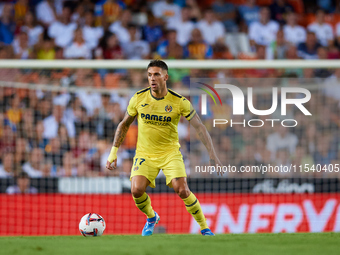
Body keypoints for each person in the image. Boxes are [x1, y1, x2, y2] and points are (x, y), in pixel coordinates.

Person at [106, 60, 223, 236]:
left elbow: (200, 127)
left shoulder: (179, 102)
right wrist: (113, 153)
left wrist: (212, 154)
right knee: (136, 190)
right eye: (149, 75)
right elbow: (123, 125)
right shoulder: (138, 98)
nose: (152, 78)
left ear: (166, 77)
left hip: (170, 153)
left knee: (182, 189)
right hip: (145, 154)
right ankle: (151, 217)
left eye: (156, 74)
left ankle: (205, 228)